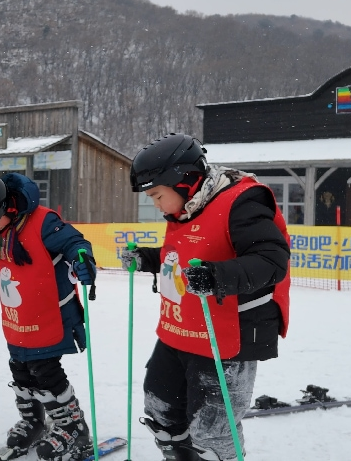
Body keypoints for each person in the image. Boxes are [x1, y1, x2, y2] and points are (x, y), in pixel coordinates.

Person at [122, 133, 290, 461]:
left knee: (212, 430)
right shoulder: (187, 209)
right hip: (180, 328)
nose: (156, 206)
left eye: (157, 195)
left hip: (227, 332)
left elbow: (272, 260)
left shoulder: (242, 201)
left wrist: (217, 277)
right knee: (162, 410)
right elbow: (186, 256)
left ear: (183, 182)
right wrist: (149, 258)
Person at [0, 173, 97, 461]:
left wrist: (81, 257)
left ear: (8, 208)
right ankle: (34, 421)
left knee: (46, 371)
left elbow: (75, 242)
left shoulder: (43, 222)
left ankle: (73, 427)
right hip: (18, 317)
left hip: (51, 312)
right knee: (21, 370)